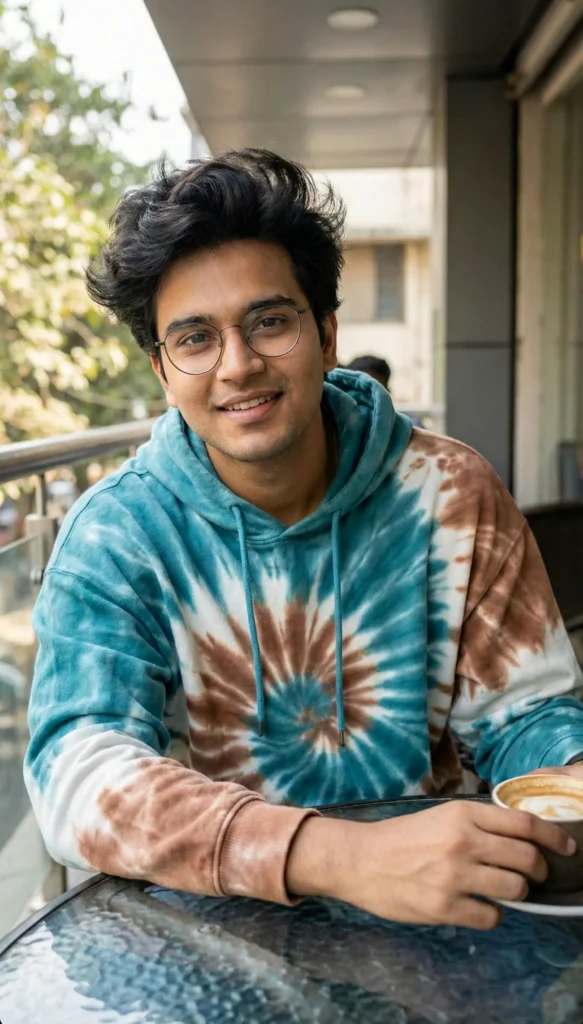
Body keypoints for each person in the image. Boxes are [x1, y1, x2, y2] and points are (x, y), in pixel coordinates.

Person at [26, 149, 583, 932]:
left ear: (324, 332)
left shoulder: (453, 493)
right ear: (161, 370)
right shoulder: (118, 533)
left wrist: (569, 770)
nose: (238, 365)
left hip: (449, 920)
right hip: (214, 933)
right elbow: (79, 773)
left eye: (269, 321)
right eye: (194, 339)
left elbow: (524, 717)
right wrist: (337, 856)